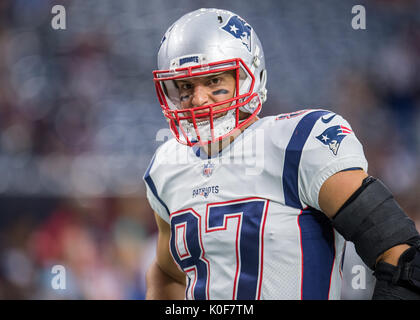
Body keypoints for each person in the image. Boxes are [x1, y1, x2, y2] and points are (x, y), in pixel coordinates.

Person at [143, 8, 420, 300]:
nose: (198, 98)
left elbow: (402, 255)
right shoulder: (167, 165)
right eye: (186, 86)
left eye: (214, 81)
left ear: (251, 75)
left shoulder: (300, 141)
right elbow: (168, 273)